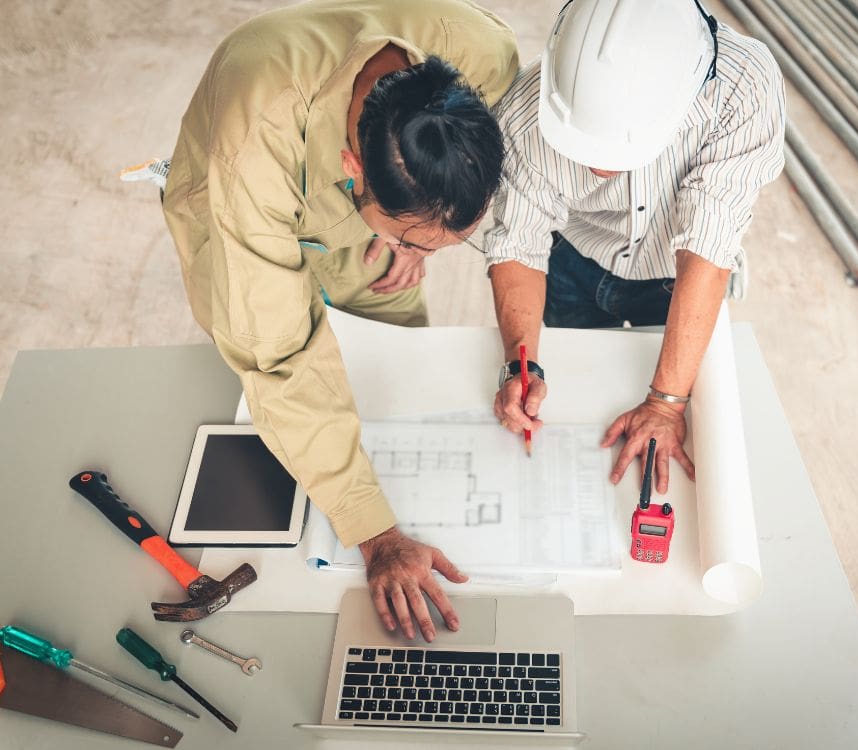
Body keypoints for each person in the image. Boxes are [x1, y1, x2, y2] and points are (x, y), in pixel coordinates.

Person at [161, 0, 519, 642]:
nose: (427, 257)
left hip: (369, 230)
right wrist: (374, 531)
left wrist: (411, 240)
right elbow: (280, 355)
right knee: (273, 369)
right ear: (353, 170)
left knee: (395, 363)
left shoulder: (483, 53)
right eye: (418, 238)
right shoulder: (256, 147)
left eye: (444, 244)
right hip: (243, 221)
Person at [485, 0, 785, 493]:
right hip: (573, 264)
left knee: (693, 412)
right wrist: (523, 367)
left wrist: (666, 403)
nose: (599, 167)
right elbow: (519, 242)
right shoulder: (523, 114)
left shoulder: (743, 89)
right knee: (580, 396)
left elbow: (707, 252)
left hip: (678, 280)